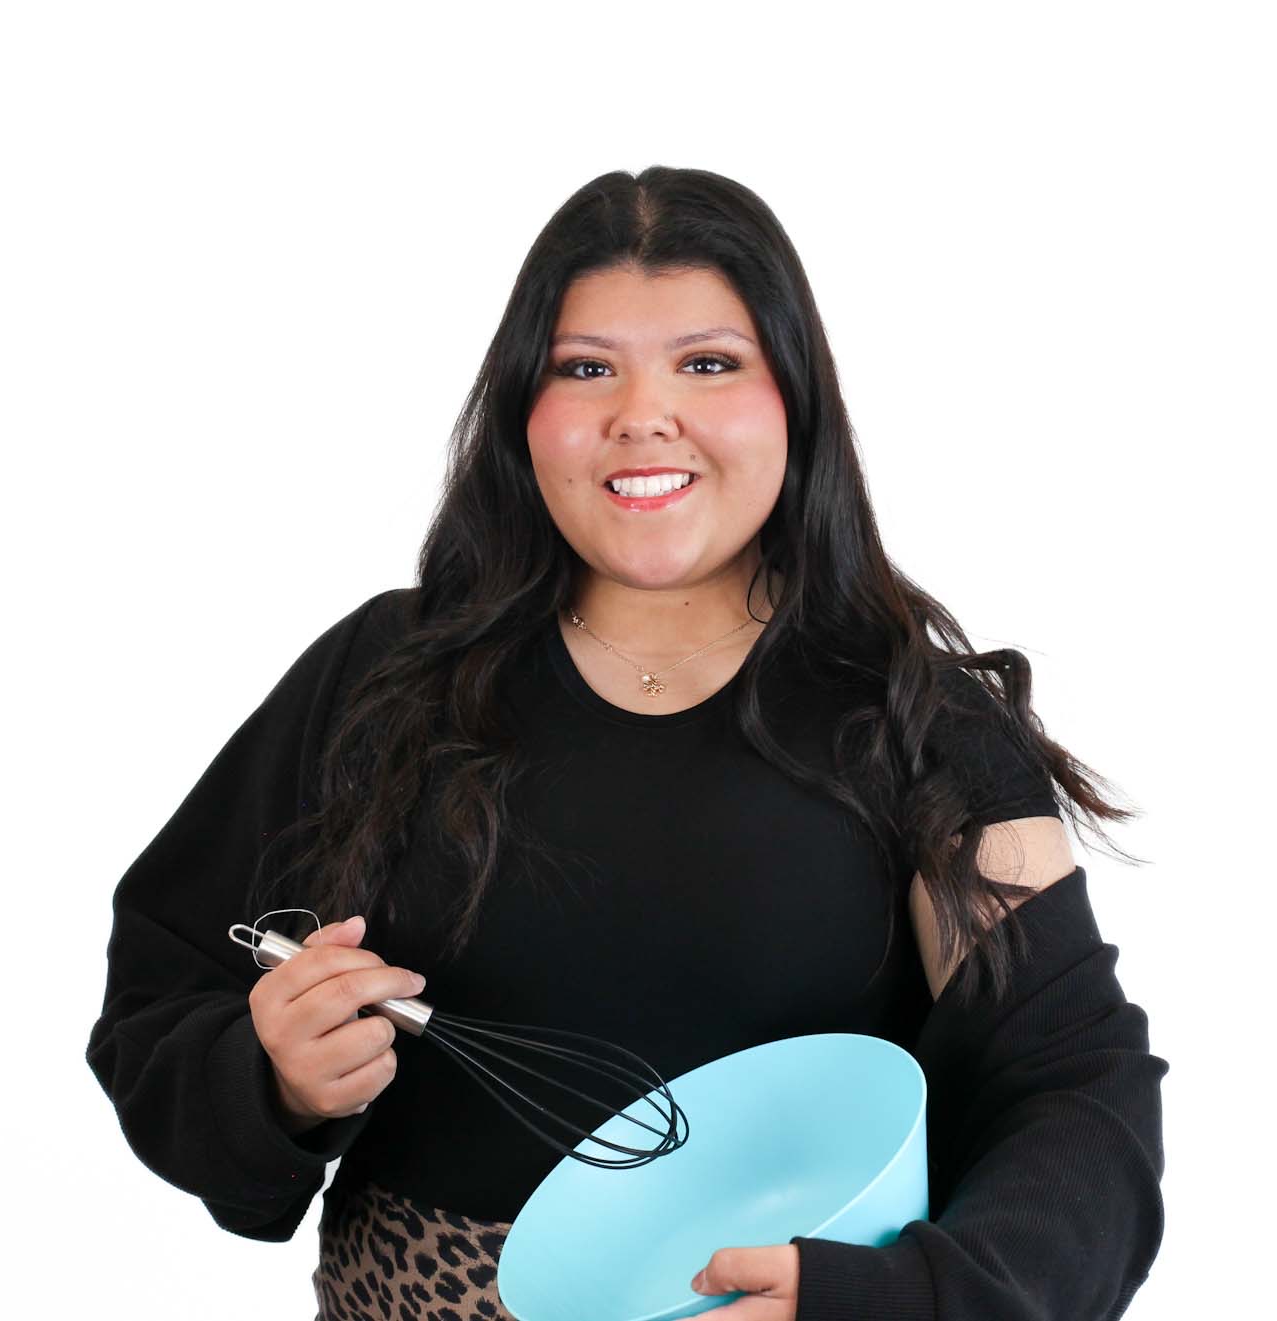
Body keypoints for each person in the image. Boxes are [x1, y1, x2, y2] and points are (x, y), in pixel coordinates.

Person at [86, 166, 1168, 1320]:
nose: (641, 415)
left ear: (793, 400)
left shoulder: (925, 725)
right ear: (522, 410)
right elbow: (163, 994)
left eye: (708, 363)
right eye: (585, 367)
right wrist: (273, 1077)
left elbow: (1073, 1094)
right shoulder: (378, 675)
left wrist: (902, 1297)